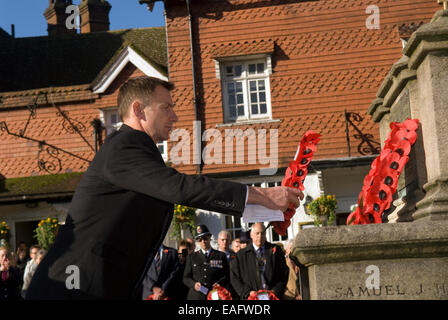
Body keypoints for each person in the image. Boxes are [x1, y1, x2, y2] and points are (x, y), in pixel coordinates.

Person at [26, 76, 303, 300]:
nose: (175, 116)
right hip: (74, 287)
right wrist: (266, 194)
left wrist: (268, 206)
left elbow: (184, 189)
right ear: (137, 110)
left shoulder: (137, 152)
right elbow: (183, 188)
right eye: (165, 107)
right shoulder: (123, 148)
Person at [230, 223, 289, 300]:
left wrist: (275, 291)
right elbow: (234, 278)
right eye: (257, 233)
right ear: (251, 235)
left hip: (273, 297)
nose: (260, 236)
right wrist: (248, 293)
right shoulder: (241, 255)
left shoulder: (276, 250)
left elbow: (284, 273)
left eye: (262, 233)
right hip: (251, 298)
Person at [183, 225, 230, 300]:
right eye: (200, 240)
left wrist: (219, 283)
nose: (203, 242)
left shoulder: (220, 256)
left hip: (215, 294)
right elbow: (186, 278)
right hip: (196, 296)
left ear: (209, 238)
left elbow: (226, 275)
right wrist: (194, 284)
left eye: (205, 238)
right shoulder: (192, 257)